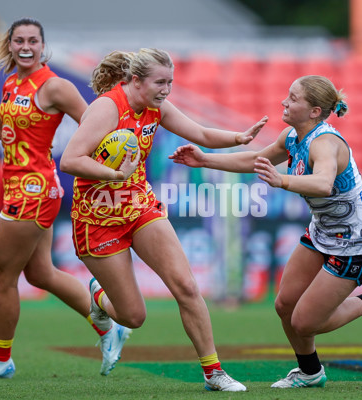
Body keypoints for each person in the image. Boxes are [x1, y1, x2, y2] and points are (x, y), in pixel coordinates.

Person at [169, 75, 362, 389]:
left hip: (354, 245)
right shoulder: (292, 136)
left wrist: (283, 181)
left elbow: (323, 183)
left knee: (305, 323)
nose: (284, 102)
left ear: (315, 111)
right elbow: (256, 159)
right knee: (284, 305)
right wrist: (204, 160)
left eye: (293, 98)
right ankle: (310, 372)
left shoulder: (326, 143)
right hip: (322, 233)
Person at [60, 48, 268, 392]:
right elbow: (69, 159)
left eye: (170, 82)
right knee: (133, 317)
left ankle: (214, 372)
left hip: (141, 207)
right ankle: (99, 299)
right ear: (136, 80)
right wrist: (113, 175)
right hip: (96, 218)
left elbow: (199, 134)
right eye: (160, 82)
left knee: (186, 287)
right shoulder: (106, 108)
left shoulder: (156, 107)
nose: (166, 89)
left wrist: (238, 137)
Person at [0, 17, 130, 379]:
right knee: (41, 273)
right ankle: (107, 321)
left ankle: (1, 360)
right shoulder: (13, 82)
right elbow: (0, 130)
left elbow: (95, 123)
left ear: (42, 46)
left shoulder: (54, 86)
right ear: (10, 45)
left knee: (1, 276)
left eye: (32, 40)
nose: (25, 46)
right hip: (19, 187)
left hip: (33, 191)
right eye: (19, 40)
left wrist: (105, 165)